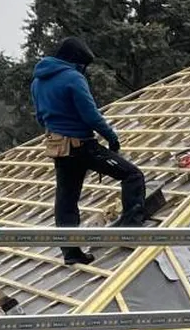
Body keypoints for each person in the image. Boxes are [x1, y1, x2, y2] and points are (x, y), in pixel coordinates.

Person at [30, 37, 154, 264]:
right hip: (83, 147)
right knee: (132, 175)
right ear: (78, 62)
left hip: (59, 148)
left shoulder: (38, 82)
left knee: (66, 199)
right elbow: (90, 114)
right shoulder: (73, 78)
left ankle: (71, 253)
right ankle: (131, 231)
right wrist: (112, 138)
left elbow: (40, 117)